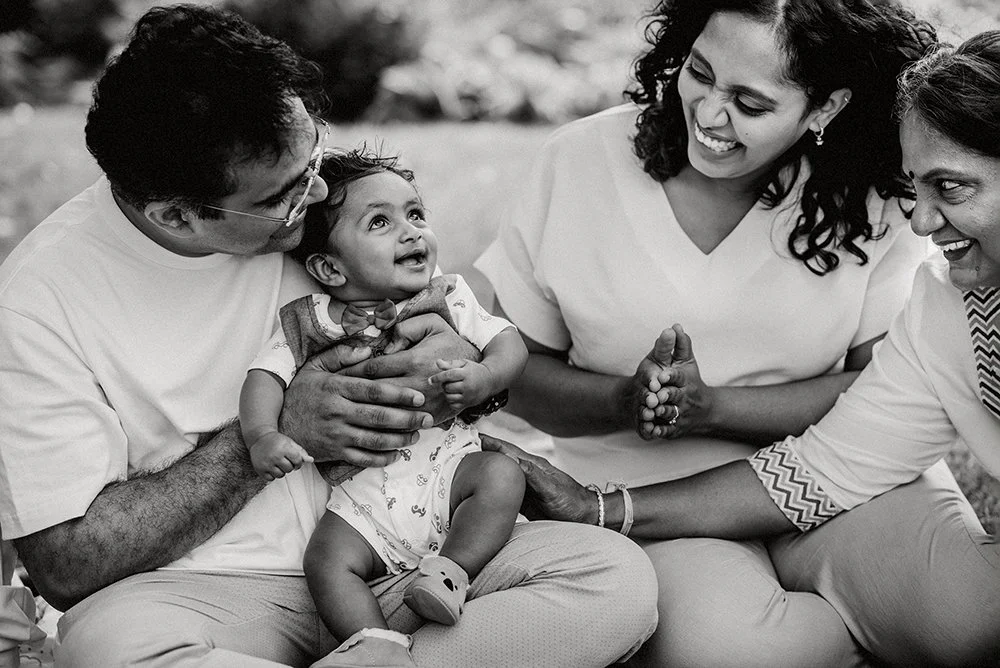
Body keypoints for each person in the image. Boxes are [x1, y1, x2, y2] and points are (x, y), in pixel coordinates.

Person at [0, 5, 658, 667]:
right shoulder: (40, 301)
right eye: (284, 195)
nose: (316, 194)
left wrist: (449, 368)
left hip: (405, 557)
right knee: (115, 651)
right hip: (203, 597)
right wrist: (273, 430)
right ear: (175, 215)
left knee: (611, 580)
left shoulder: (321, 201)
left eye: (314, 154)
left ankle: (376, 655)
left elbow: (453, 326)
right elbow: (68, 563)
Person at [486, 28, 1000, 667]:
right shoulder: (949, 303)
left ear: (826, 107)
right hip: (691, 475)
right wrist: (605, 497)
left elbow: (871, 402)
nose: (921, 222)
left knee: (971, 625)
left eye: (751, 103)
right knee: (736, 652)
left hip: (864, 486)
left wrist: (712, 408)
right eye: (699, 72)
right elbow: (842, 458)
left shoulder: (880, 200)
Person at [239, 148, 528, 666]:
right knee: (325, 561)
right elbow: (266, 374)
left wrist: (485, 376)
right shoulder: (311, 320)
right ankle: (375, 643)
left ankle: (450, 573)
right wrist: (262, 434)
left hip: (450, 474)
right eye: (381, 222)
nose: (412, 231)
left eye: (415, 213)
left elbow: (508, 342)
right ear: (329, 267)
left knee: (503, 477)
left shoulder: (450, 296)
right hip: (364, 499)